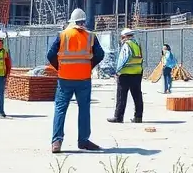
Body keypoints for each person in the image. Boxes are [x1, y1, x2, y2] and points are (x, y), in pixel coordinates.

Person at [47, 8, 104, 153]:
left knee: (60, 109)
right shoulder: (91, 36)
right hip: (83, 79)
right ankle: (83, 141)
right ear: (84, 21)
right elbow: (100, 54)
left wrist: (59, 67)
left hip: (65, 78)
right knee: (84, 110)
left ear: (71, 21)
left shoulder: (63, 35)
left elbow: (50, 54)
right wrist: (89, 66)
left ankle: (56, 142)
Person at [108, 28, 143, 124]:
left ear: (125, 36)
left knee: (121, 96)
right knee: (137, 96)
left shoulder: (126, 45)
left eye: (122, 37)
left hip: (125, 74)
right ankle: (138, 117)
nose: (121, 39)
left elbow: (123, 59)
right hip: (137, 74)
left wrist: (117, 71)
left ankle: (118, 117)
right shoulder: (137, 45)